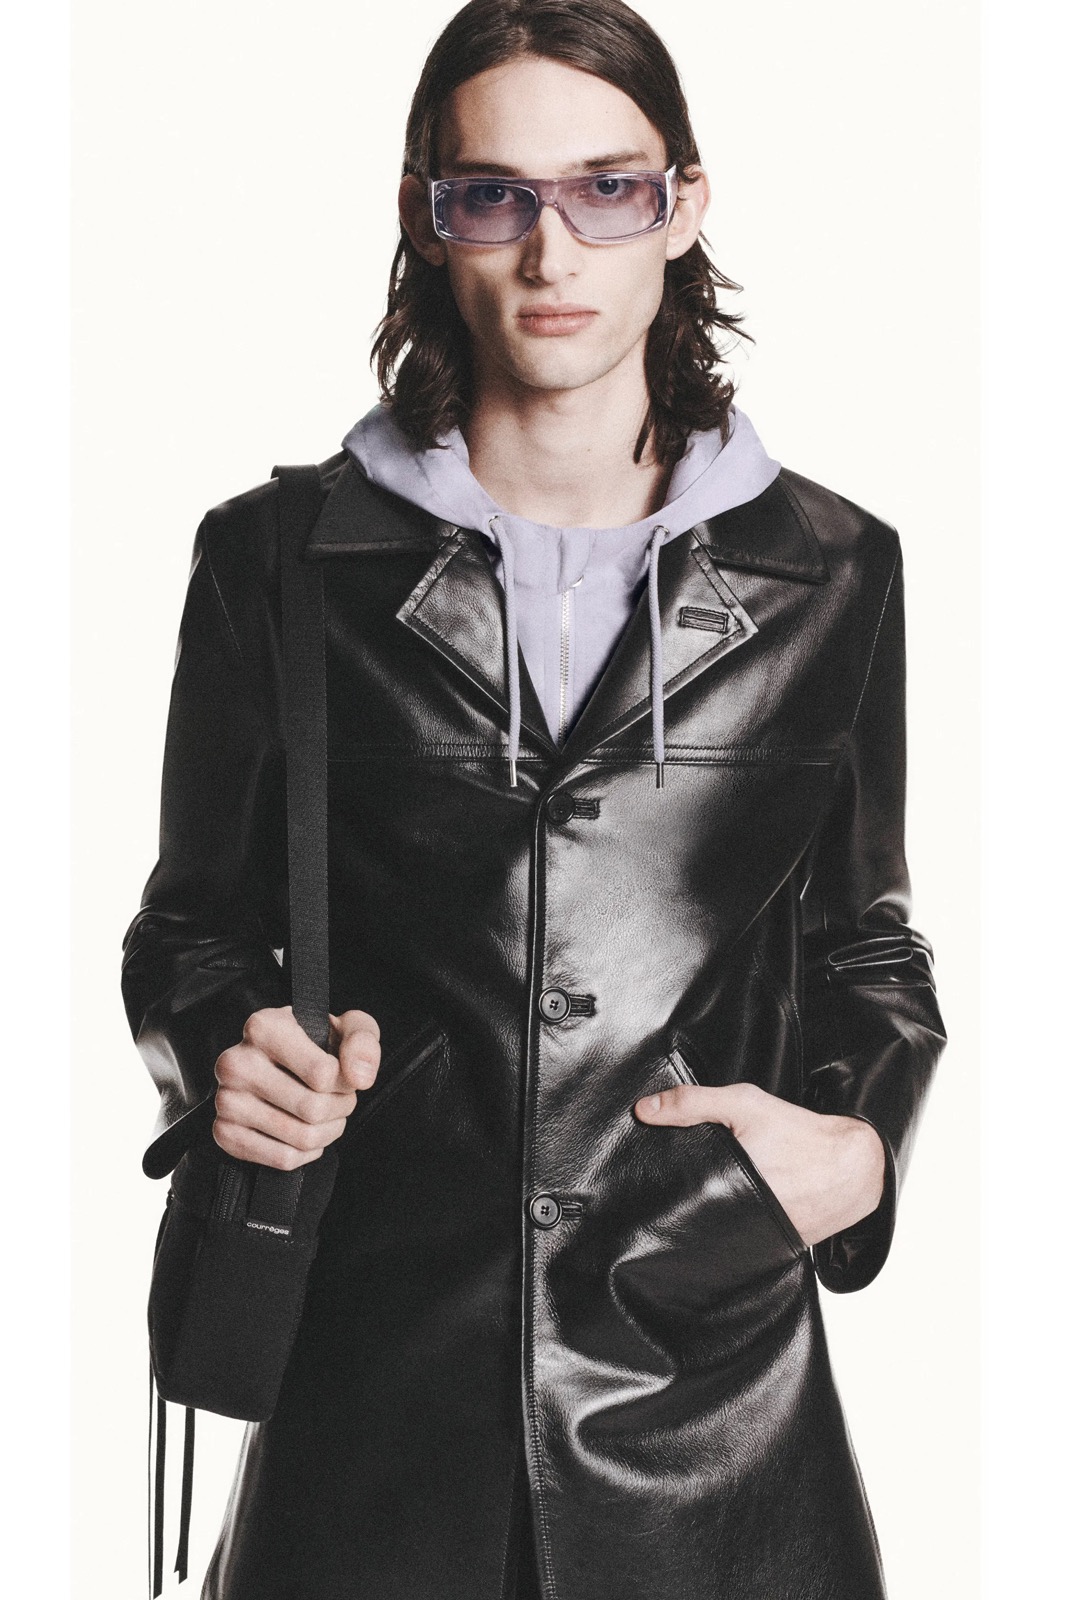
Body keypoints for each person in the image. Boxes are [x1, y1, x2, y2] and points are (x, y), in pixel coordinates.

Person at [122, 2, 947, 1596]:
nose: (551, 250)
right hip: (370, 1400)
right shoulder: (276, 563)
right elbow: (188, 930)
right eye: (493, 193)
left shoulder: (833, 570)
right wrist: (225, 1049)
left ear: (681, 207)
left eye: (606, 189)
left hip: (711, 1396)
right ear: (427, 217)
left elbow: (866, 945)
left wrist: (861, 1151)